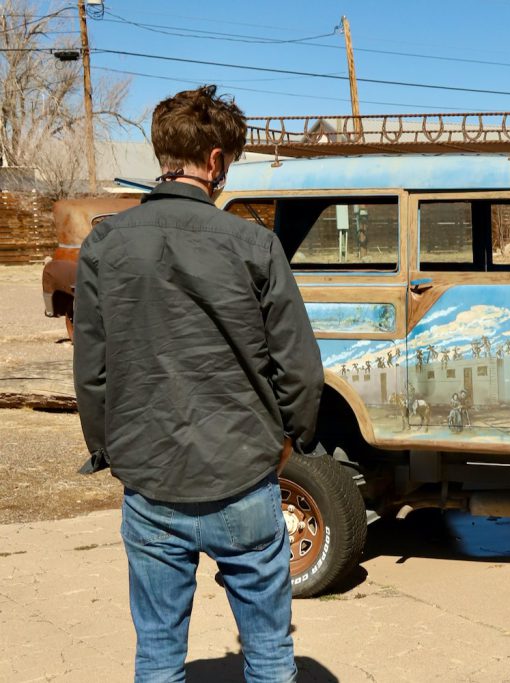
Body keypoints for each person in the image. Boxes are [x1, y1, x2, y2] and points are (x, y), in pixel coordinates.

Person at [73, 85, 323, 683]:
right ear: (214, 161)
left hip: (151, 483)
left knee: (158, 655)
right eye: (229, 162)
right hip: (243, 477)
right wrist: (290, 442)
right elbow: (300, 369)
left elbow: (93, 372)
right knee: (269, 653)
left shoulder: (105, 245)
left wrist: (112, 450)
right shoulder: (254, 244)